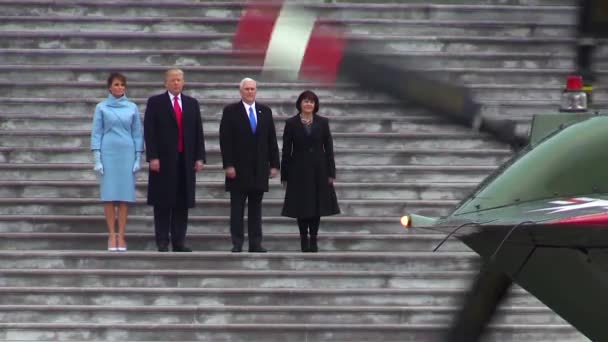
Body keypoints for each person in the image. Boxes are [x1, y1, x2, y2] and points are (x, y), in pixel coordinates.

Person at [144, 68, 206, 252]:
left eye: (179, 80)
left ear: (183, 82)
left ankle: (179, 241)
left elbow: (198, 132)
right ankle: (162, 241)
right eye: (173, 80)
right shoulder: (156, 103)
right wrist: (152, 156)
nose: (176, 83)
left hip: (185, 160)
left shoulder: (191, 103)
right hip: (163, 161)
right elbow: (150, 131)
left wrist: (199, 157)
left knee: (182, 202)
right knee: (163, 201)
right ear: (166, 82)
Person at [219, 77, 280, 253]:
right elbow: (225, 140)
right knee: (237, 209)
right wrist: (228, 165)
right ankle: (237, 243)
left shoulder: (265, 111)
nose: (250, 92)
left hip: (259, 169)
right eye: (247, 89)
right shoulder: (230, 111)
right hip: (237, 170)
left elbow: (271, 139)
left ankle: (255, 243)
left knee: (256, 209)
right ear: (241, 91)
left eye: (253, 89)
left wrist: (274, 164)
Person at [280, 90, 340, 252]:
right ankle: (303, 239)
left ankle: (313, 239)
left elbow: (329, 149)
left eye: (311, 102)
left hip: (319, 169)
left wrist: (331, 173)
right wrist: (284, 175)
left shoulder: (323, 122)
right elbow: (286, 150)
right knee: (302, 206)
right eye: (306, 101)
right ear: (300, 104)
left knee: (316, 205)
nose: (308, 104)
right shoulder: (291, 123)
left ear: (315, 105)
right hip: (298, 170)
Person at [90, 72, 144, 252]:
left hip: (126, 152)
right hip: (108, 152)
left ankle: (121, 236)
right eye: (116, 84)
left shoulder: (132, 107)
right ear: (109, 87)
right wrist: (97, 158)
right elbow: (96, 133)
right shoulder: (102, 107)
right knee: (109, 195)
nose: (120, 87)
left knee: (123, 197)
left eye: (122, 85)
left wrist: (138, 157)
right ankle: (111, 235)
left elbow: (137, 133)